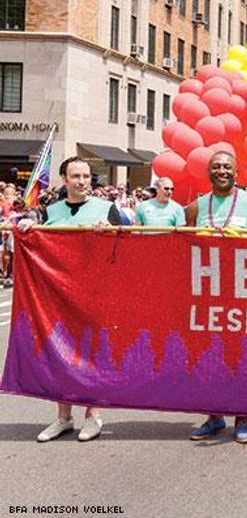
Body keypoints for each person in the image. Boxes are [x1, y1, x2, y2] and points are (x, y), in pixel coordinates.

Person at [21, 156, 122, 442]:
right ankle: (63, 418)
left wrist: (112, 231)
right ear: (64, 179)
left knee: (89, 354)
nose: (81, 182)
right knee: (58, 354)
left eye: (86, 176)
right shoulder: (49, 212)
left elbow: (126, 243)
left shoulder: (107, 209)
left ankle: (93, 416)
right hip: (57, 296)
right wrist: (28, 225)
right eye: (75, 176)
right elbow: (30, 230)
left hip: (93, 295)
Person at [185, 151, 247, 444]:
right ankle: (214, 416)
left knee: (241, 356)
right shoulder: (195, 206)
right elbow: (184, 247)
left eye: (227, 167)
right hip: (207, 295)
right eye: (217, 167)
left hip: (242, 294)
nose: (222, 171)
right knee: (210, 357)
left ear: (237, 172)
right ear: (209, 172)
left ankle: (242, 416)